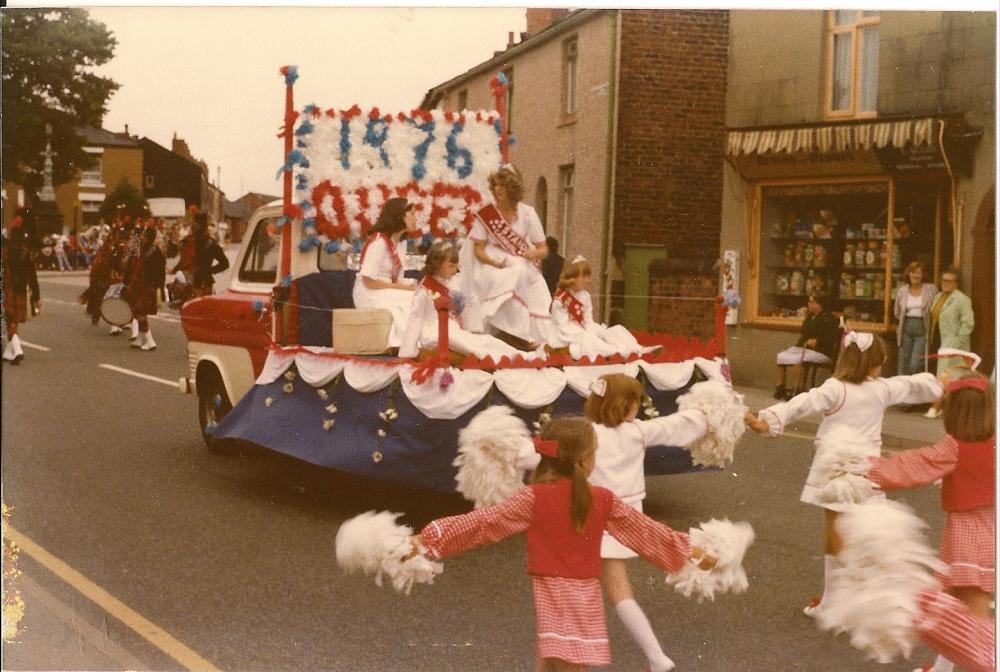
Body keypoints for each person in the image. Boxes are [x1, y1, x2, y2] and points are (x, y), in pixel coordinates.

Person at [412, 416, 715, 672]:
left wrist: (429, 539)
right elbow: (646, 533)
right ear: (586, 460)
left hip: (553, 593)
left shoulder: (535, 498)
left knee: (555, 662)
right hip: (583, 594)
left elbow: (484, 523)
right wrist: (690, 553)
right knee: (561, 664)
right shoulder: (603, 499)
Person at [746, 331, 943, 617]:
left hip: (836, 468)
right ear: (875, 362)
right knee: (865, 531)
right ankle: (841, 598)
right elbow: (913, 385)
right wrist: (943, 386)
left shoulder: (836, 388)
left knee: (835, 534)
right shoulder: (882, 389)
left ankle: (849, 597)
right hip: (868, 470)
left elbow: (803, 403)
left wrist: (770, 420)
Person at [584, 373, 719, 672]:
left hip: (597, 522)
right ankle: (695, 554)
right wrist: (710, 412)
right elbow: (678, 426)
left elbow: (540, 453)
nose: (639, 409)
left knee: (607, 590)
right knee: (624, 580)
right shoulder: (638, 432)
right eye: (636, 403)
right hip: (630, 519)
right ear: (626, 406)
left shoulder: (586, 436)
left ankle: (657, 658)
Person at [863, 369, 994, 672]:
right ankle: (942, 668)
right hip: (989, 528)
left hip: (969, 534)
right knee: (957, 607)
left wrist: (867, 468)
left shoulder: (955, 447)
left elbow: (914, 466)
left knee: (972, 620)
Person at [461, 165, 554, 349]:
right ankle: (517, 333)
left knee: (536, 284)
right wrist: (494, 262)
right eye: (496, 185)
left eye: (503, 185)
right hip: (490, 264)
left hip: (521, 260)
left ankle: (534, 335)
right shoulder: (487, 214)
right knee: (516, 274)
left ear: (513, 189)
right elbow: (478, 250)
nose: (498, 189)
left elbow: (543, 249)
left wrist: (533, 253)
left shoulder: (527, 214)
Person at [398, 240, 522, 361]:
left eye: (456, 265)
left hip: (451, 328)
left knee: (483, 341)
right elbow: (415, 319)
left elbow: (470, 302)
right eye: (451, 266)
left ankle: (519, 355)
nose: (455, 270)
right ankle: (501, 359)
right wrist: (407, 353)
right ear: (436, 265)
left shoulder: (452, 283)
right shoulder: (424, 290)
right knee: (469, 344)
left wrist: (473, 330)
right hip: (432, 333)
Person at [550, 256, 653, 360]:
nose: (589, 280)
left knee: (617, 330)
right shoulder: (560, 300)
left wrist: (599, 331)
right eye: (585, 276)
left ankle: (638, 349)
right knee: (590, 339)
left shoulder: (585, 296)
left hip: (583, 333)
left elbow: (588, 322)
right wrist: (589, 334)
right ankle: (622, 353)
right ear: (573, 276)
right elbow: (564, 328)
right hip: (566, 340)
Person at [351, 197, 419, 349]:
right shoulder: (378, 242)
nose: (416, 218)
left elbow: (398, 278)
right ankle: (407, 345)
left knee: (418, 297)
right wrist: (403, 288)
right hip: (369, 293)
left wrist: (410, 286)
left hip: (386, 289)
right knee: (410, 301)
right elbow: (368, 280)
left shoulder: (401, 243)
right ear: (399, 215)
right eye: (412, 214)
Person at [925, 267, 974, 418]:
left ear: (956, 283)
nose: (945, 283)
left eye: (949, 281)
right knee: (941, 375)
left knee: (949, 377)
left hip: (952, 344)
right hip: (937, 340)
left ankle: (937, 406)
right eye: (943, 280)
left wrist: (958, 342)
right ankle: (944, 408)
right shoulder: (938, 296)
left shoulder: (962, 299)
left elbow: (968, 323)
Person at [773, 293, 840, 399]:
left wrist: (817, 341)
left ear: (819, 304)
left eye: (811, 302)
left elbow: (832, 338)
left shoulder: (829, 318)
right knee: (781, 356)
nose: (809, 304)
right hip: (804, 347)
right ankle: (780, 386)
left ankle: (797, 389)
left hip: (821, 351)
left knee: (798, 359)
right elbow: (804, 331)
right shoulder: (810, 316)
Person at [893, 261, 938, 389]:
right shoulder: (902, 291)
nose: (915, 275)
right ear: (908, 273)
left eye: (918, 272)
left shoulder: (931, 289)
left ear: (923, 275)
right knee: (904, 362)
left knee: (916, 363)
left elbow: (935, 307)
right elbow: (896, 311)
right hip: (906, 325)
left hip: (922, 326)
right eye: (913, 272)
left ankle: (916, 393)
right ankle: (904, 398)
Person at [122, 225, 167, 351]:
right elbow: (129, 266)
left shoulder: (154, 252)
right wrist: (126, 281)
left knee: (140, 312)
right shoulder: (141, 249)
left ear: (148, 238)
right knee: (136, 311)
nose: (141, 238)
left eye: (144, 236)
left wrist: (159, 288)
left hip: (146, 286)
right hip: (136, 285)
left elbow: (160, 272)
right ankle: (140, 339)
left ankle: (150, 340)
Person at [172, 211, 230, 299]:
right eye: (192, 222)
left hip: (203, 284)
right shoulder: (186, 241)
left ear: (201, 225)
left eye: (194, 222)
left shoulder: (210, 244)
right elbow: (184, 260)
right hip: (186, 284)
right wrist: (175, 269)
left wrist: (208, 270)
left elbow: (225, 263)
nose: (192, 225)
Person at [80, 224, 127, 332]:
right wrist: (123, 266)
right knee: (112, 299)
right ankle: (114, 325)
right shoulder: (113, 248)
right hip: (107, 276)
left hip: (107, 275)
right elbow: (115, 261)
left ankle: (121, 322)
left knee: (114, 298)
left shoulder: (112, 246)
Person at [2, 215, 33, 364]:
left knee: (9, 320)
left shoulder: (5, 251)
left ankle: (18, 349)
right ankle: (9, 352)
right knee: (13, 320)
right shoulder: (26, 252)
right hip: (21, 290)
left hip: (8, 289)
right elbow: (32, 276)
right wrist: (37, 296)